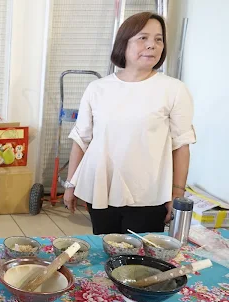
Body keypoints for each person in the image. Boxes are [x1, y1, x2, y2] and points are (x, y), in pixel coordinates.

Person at [63, 12, 196, 235]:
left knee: (140, 260)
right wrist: (70, 185)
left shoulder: (173, 89)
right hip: (101, 189)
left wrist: (177, 193)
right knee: (104, 251)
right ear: (124, 43)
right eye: (143, 38)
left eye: (158, 39)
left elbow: (181, 145)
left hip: (149, 194)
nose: (152, 45)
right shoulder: (98, 88)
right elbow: (81, 138)